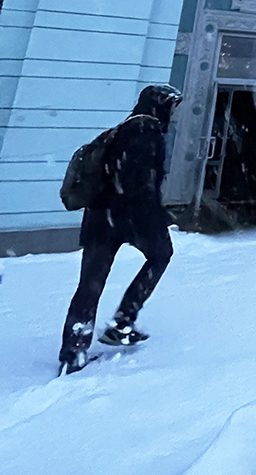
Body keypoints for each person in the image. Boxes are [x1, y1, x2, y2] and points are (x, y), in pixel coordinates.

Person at [58, 84, 183, 375]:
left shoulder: (122, 129)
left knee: (90, 284)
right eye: (171, 106)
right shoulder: (146, 132)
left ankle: (73, 351)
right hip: (130, 216)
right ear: (159, 105)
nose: (173, 113)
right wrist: (155, 214)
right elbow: (137, 182)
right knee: (161, 254)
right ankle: (123, 321)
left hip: (100, 216)